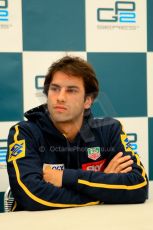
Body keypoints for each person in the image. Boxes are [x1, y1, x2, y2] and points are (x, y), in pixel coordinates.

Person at [7, 55, 148, 211]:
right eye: (55, 89)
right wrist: (104, 188)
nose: (60, 97)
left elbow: (138, 185)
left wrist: (64, 177)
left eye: (71, 90)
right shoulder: (25, 133)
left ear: (87, 100)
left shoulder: (109, 130)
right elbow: (30, 196)